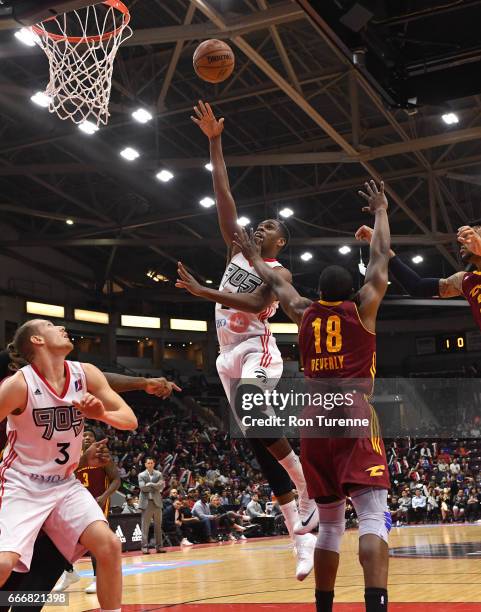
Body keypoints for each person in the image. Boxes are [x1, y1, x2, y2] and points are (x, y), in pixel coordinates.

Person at [234, 179, 392, 612]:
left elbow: (275, 282)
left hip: (314, 421)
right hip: (354, 412)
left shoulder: (303, 312)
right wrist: (380, 211)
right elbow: (379, 259)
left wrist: (252, 256)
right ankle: (375, 605)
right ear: (352, 291)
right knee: (374, 516)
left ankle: (324, 607)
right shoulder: (364, 307)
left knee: (330, 525)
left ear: (319, 293)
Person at [176, 100, 317, 580]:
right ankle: (300, 538)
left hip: (259, 351)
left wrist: (203, 291)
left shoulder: (278, 270)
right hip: (225, 358)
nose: (261, 227)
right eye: (260, 224)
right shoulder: (237, 247)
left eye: (271, 227)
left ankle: (308, 490)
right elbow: (224, 194)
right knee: (257, 445)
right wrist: (214, 141)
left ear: (280, 242)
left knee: (258, 421)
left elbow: (256, 306)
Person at [0, 319, 138, 612]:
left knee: (109, 546)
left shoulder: (85, 373)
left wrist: (101, 414)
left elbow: (129, 420)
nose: (61, 328)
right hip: (23, 483)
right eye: (50, 325)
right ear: (37, 341)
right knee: (4, 565)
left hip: (64, 484)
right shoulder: (18, 385)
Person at [355, 220, 481, 330]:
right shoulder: (464, 281)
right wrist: (383, 248)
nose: (465, 241)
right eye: (465, 237)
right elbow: (416, 286)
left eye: (473, 235)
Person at [138, 458, 165, 554]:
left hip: (157, 502)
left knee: (158, 526)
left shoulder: (159, 474)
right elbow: (143, 488)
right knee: (145, 526)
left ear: (154, 464)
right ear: (145, 464)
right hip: (146, 503)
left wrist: (151, 483)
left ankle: (159, 547)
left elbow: (161, 486)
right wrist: (155, 485)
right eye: (148, 463)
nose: (150, 464)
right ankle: (144, 547)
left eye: (151, 463)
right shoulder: (141, 475)